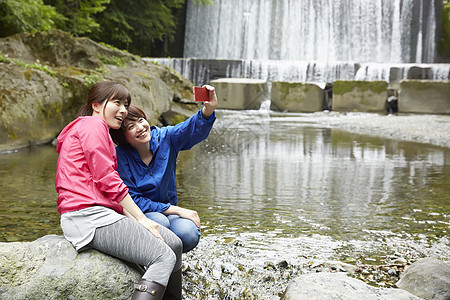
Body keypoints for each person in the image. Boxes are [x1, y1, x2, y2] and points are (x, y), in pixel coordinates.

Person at [55, 81, 183, 300]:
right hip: (87, 218)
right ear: (96, 105)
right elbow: (106, 178)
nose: (123, 110)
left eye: (126, 104)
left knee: (174, 243)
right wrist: (141, 219)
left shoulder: (97, 130)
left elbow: (105, 190)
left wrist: (134, 218)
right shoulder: (92, 126)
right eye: (117, 103)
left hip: (101, 215)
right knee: (163, 256)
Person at [110, 85, 217, 253]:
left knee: (188, 233)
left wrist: (208, 109)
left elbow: (189, 129)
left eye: (140, 120)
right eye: (130, 127)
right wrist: (179, 210)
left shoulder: (166, 137)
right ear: (122, 137)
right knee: (161, 223)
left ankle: (170, 263)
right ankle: (149, 262)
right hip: (141, 215)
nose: (140, 127)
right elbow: (132, 199)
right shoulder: (120, 157)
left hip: (168, 213)